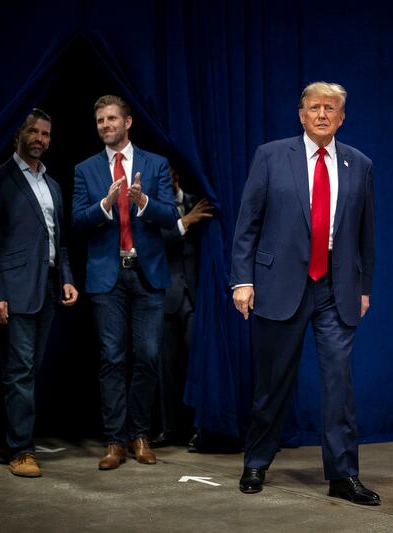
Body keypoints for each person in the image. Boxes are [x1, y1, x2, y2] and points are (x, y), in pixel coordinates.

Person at [231, 82, 379, 504]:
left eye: (330, 108)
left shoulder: (359, 164)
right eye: (314, 107)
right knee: (272, 384)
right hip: (279, 286)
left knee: (339, 384)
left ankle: (343, 474)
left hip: (336, 288)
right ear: (300, 114)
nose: (321, 114)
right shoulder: (271, 156)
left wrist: (364, 286)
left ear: (341, 117)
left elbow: (367, 233)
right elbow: (248, 224)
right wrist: (242, 280)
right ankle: (256, 462)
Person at [0, 109, 78, 478]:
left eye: (46, 134)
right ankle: (20, 450)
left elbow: (58, 241)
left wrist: (66, 277)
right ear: (19, 134)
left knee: (25, 370)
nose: (39, 139)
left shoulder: (53, 185)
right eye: (33, 131)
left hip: (46, 287)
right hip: (12, 292)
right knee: (20, 371)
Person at [72, 95, 178, 470]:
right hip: (107, 276)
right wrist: (104, 205)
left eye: (111, 118)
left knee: (147, 357)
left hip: (147, 274)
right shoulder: (86, 169)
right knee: (112, 359)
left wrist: (143, 200)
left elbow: (169, 216)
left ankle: (140, 435)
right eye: (99, 120)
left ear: (128, 122)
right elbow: (77, 221)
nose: (105, 125)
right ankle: (115, 441)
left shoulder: (156, 164)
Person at [153, 167, 212, 449]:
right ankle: (170, 428)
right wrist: (186, 221)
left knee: (198, 363)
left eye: (171, 174)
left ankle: (201, 426)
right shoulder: (153, 205)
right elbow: (156, 242)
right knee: (167, 366)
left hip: (196, 294)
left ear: (177, 175)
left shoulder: (198, 200)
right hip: (166, 295)